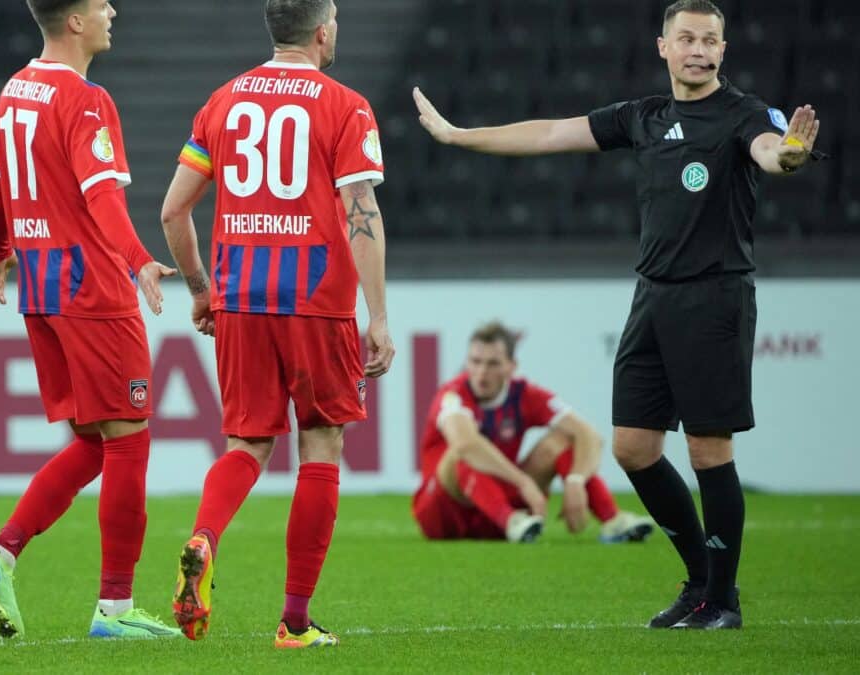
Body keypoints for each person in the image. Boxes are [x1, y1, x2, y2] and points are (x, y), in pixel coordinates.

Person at [413, 0, 821, 630]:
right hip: (651, 296)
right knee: (633, 448)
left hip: (714, 296)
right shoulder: (645, 116)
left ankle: (724, 600)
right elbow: (552, 133)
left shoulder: (744, 113)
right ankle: (700, 584)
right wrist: (460, 136)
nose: (698, 49)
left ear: (722, 50)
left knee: (709, 451)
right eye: (685, 38)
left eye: (710, 40)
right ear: (663, 47)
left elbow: (774, 151)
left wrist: (790, 153)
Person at [159, 0, 395, 648]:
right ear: (322, 32)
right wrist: (377, 315)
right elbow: (360, 211)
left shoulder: (223, 102)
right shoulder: (346, 105)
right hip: (315, 301)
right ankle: (294, 621)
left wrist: (204, 291)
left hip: (241, 299)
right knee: (320, 445)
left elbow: (174, 212)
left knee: (245, 446)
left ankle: (204, 538)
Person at [0, 0, 179, 641]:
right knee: (129, 439)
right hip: (92, 291)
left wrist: (2, 247)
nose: (113, 10)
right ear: (75, 21)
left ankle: (0, 554)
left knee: (93, 441)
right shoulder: (86, 100)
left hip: (43, 289)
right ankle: (114, 610)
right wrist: (139, 259)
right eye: (100, 4)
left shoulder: (16, 89)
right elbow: (101, 194)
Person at [414, 321, 655, 544]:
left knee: (560, 442)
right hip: (443, 515)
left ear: (511, 366)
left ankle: (612, 520)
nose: (481, 372)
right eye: (475, 362)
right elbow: (466, 445)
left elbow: (589, 435)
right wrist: (523, 482)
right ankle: (512, 520)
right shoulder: (452, 394)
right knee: (461, 455)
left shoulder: (526, 395)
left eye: (493, 363)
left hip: (499, 509)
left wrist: (575, 481)